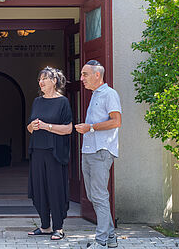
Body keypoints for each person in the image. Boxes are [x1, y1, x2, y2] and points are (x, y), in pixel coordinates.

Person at [75, 60, 122, 249]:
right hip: (89, 151)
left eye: (85, 74)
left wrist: (91, 128)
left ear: (97, 75)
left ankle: (101, 241)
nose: (81, 78)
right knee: (95, 196)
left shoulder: (109, 94)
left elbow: (116, 121)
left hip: (101, 152)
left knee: (99, 196)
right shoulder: (95, 95)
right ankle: (110, 238)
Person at [26, 66, 73, 241]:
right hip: (37, 151)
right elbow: (29, 127)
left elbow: (68, 129)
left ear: (54, 81)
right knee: (39, 189)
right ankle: (45, 226)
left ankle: (58, 228)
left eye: (44, 78)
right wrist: (33, 126)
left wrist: (47, 127)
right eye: (40, 79)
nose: (41, 82)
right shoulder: (37, 101)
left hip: (55, 153)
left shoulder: (63, 102)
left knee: (55, 189)